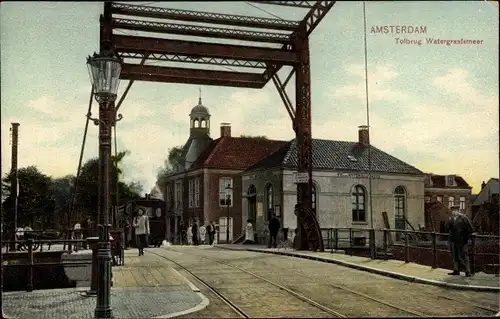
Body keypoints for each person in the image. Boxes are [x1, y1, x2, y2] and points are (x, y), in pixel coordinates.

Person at [446, 205, 474, 277]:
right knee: (454, 256)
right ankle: (456, 270)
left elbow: (470, 229)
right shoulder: (451, 219)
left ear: (458, 211)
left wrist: (466, 238)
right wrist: (448, 221)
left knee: (464, 255)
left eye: (455, 211)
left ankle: (468, 271)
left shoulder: (464, 218)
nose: (454, 212)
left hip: (462, 241)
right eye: (452, 211)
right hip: (453, 240)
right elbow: (447, 228)